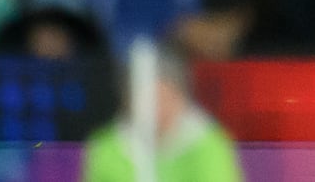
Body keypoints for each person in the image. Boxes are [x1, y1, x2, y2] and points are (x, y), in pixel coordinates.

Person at [82, 47, 243, 182]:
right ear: (127, 100)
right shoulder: (106, 146)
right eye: (144, 98)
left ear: (181, 97)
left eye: (162, 97)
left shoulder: (209, 144)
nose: (154, 108)